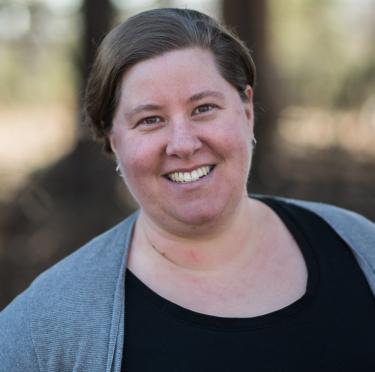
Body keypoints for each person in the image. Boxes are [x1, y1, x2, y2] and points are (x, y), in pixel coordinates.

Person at [0, 8, 374, 372]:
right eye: (150, 120)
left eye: (204, 108)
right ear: (114, 141)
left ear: (246, 112)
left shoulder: (361, 248)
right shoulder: (46, 326)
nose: (183, 143)